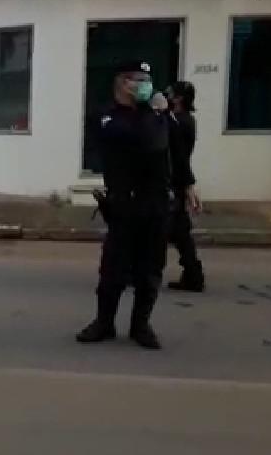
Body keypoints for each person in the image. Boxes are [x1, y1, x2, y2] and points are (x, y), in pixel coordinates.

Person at [78, 60, 172, 350]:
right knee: (113, 271)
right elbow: (146, 142)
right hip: (124, 205)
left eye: (148, 78)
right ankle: (104, 323)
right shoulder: (106, 117)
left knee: (150, 270)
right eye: (140, 79)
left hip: (155, 204)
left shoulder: (157, 116)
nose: (147, 85)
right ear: (123, 83)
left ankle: (140, 326)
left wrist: (187, 183)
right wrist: (154, 113)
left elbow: (172, 149)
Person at [165, 81, 204, 292]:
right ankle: (193, 274)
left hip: (174, 182)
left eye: (171, 93)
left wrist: (188, 185)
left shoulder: (179, 122)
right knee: (179, 232)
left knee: (169, 230)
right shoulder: (185, 120)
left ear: (179, 98)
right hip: (178, 181)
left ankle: (193, 275)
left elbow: (179, 157)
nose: (167, 95)